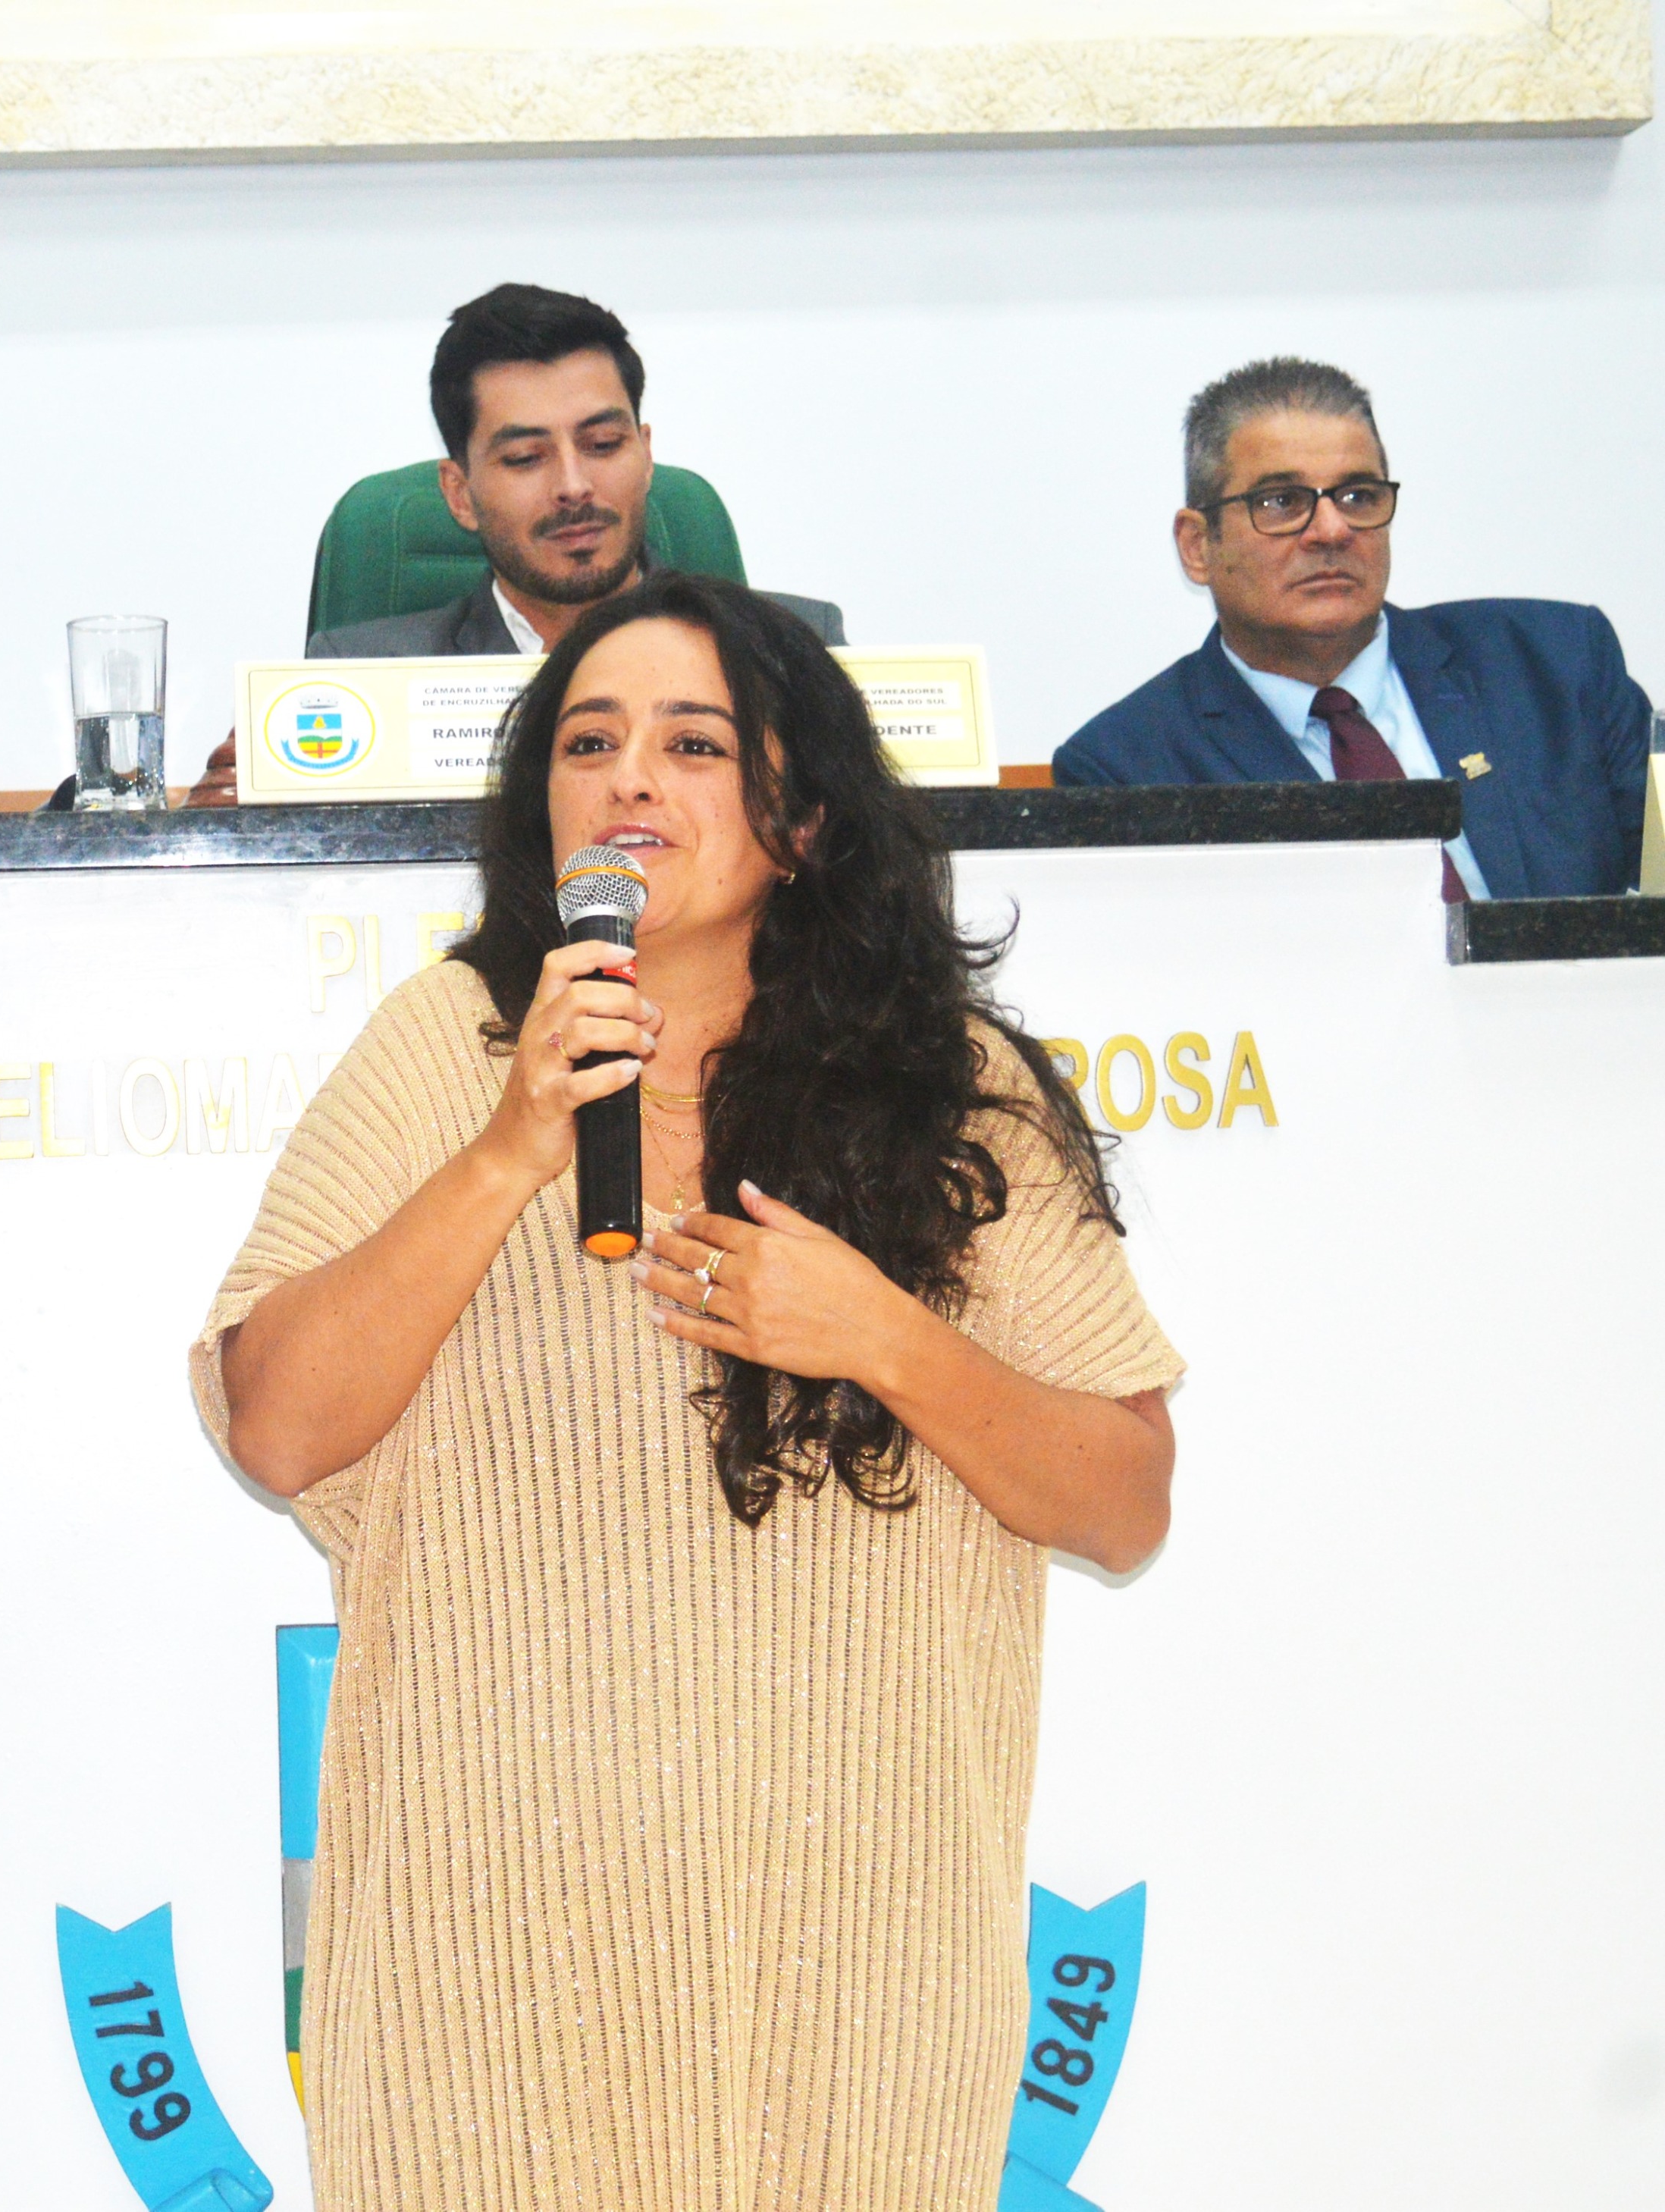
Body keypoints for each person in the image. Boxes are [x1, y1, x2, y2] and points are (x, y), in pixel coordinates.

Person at [194, 572, 1181, 2210]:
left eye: (693, 744)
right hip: (487, 1994)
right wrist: (511, 1145)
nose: (629, 779)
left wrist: (882, 1335)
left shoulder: (954, 1089)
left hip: (862, 1991)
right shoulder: (448, 1046)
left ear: (801, 818)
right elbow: (276, 1425)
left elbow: (1125, 1500)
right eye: (586, 743)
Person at [1054, 356, 1651, 899]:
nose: (1332, 530)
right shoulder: (1127, 768)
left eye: (1358, 495)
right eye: (1281, 502)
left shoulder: (1556, 664)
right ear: (1198, 545)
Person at [304, 283, 845, 660]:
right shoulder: (361, 677)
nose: (574, 486)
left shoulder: (797, 654)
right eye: (525, 458)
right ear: (460, 494)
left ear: (646, 455)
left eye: (603, 444)